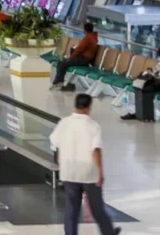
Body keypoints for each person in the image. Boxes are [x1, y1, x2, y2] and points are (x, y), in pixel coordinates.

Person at [49, 93, 120, 235]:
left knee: (71, 209)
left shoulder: (64, 122)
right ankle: (108, 232)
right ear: (89, 107)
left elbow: (55, 143)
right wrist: (100, 172)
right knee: (97, 208)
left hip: (69, 171)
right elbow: (96, 151)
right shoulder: (93, 126)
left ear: (75, 105)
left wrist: (61, 162)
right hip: (88, 172)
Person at [122, 46, 160, 122]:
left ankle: (145, 115)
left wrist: (157, 77)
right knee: (141, 85)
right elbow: (157, 68)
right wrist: (151, 72)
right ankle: (138, 113)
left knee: (146, 86)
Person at [52, 23, 99, 91]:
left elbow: (79, 49)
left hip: (83, 59)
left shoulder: (87, 38)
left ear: (84, 30)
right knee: (62, 62)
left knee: (62, 63)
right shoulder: (93, 37)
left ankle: (59, 82)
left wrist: (71, 57)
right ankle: (60, 82)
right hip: (86, 59)